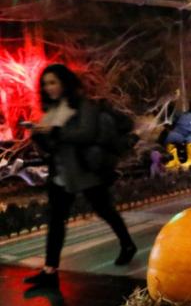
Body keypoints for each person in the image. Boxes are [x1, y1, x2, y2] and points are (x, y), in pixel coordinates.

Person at [24, 64, 137, 289]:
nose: (49, 88)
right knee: (56, 221)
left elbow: (87, 133)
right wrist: (38, 135)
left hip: (85, 171)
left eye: (53, 82)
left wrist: (55, 132)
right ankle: (49, 271)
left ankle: (127, 244)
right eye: (45, 84)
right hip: (60, 174)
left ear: (65, 83)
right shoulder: (52, 110)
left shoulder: (84, 105)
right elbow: (51, 146)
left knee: (105, 210)